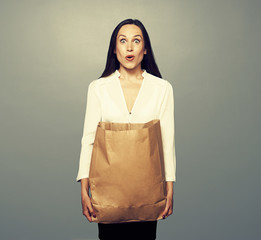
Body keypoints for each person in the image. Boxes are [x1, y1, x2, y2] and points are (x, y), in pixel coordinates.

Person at [76, 18, 176, 240]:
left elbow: (167, 142)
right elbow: (89, 140)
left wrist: (170, 188)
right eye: (123, 41)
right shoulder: (98, 88)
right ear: (115, 48)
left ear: (145, 49)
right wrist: (83, 188)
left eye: (136, 41)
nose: (129, 47)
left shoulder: (162, 89)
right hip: (108, 192)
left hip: (147, 192)